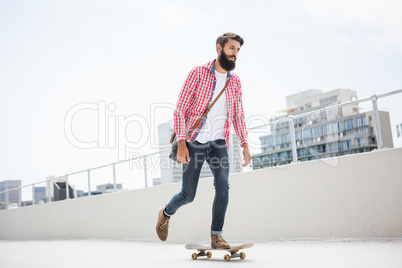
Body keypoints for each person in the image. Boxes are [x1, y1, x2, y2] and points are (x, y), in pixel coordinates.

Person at [156, 32, 251, 249]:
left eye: (237, 50)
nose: (235, 53)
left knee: (223, 186)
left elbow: (238, 115)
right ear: (219, 48)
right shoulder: (197, 74)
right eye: (231, 48)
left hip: (219, 143)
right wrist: (181, 143)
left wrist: (245, 143)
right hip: (194, 142)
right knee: (188, 195)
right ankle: (166, 213)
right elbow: (180, 110)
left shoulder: (234, 82)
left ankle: (216, 236)